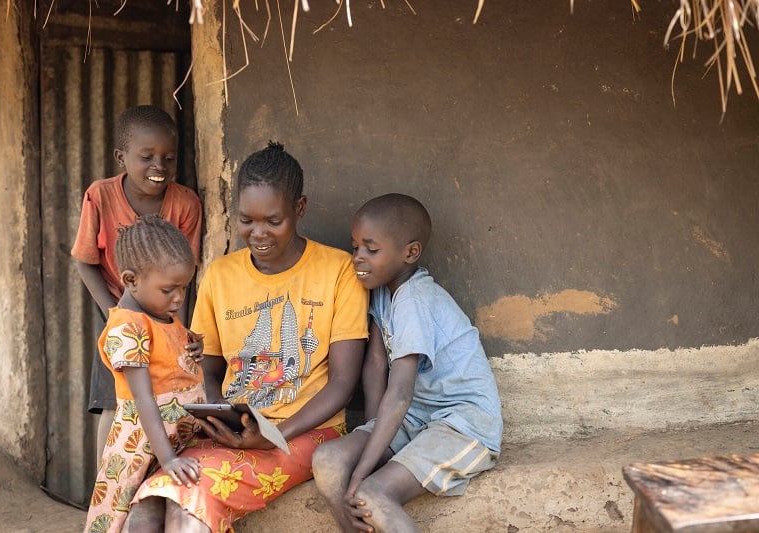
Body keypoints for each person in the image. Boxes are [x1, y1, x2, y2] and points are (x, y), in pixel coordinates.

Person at [124, 141, 369, 532]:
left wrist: (274, 436)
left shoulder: (337, 271)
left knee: (187, 499)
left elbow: (342, 383)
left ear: (299, 209)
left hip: (305, 430)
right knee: (150, 501)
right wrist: (220, 413)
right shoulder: (221, 275)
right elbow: (207, 364)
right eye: (246, 220)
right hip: (236, 429)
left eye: (273, 221)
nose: (258, 233)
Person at [311, 193, 503, 533]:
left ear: (410, 253)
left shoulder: (415, 299)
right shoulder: (383, 292)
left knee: (370, 493)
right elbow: (374, 365)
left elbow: (399, 393)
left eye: (371, 249)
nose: (358, 258)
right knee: (327, 460)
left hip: (460, 425)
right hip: (416, 419)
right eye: (355, 247)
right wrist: (374, 437)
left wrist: (362, 471)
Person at [70, 105, 203, 464]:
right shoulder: (100, 196)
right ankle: (103, 491)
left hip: (167, 316)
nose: (159, 166)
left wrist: (181, 328)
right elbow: (85, 261)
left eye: (168, 158)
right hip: (119, 309)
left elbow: (183, 279)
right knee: (115, 403)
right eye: (147, 157)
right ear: (121, 157)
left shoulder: (185, 204)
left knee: (167, 396)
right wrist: (115, 314)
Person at [84, 215, 206, 533]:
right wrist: (167, 459)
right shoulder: (128, 326)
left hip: (170, 440)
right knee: (119, 517)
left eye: (183, 288)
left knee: (147, 510)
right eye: (169, 289)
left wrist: (193, 350)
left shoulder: (162, 314)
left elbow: (171, 361)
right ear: (131, 279)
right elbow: (143, 398)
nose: (179, 298)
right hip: (140, 445)